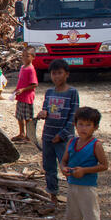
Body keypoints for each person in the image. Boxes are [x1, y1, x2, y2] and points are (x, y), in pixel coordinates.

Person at [60, 107, 110, 220]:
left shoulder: (96, 145)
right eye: (80, 124)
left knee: (92, 219)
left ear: (95, 127)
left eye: (88, 125)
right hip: (72, 186)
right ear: (75, 125)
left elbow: (104, 165)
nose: (83, 128)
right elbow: (64, 161)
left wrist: (85, 171)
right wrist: (63, 169)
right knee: (72, 218)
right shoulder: (72, 142)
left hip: (87, 188)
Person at [36, 59, 79, 204]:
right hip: (48, 135)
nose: (56, 77)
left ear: (66, 74)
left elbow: (73, 117)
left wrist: (61, 135)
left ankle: (75, 197)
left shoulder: (72, 93)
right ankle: (53, 196)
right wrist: (42, 113)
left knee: (67, 166)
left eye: (59, 73)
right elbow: (46, 110)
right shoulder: (49, 92)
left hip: (64, 138)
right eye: (54, 73)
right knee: (49, 167)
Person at [11, 46, 38, 142]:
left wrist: (23, 90)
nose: (25, 58)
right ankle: (21, 133)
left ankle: (29, 135)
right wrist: (16, 89)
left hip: (27, 97)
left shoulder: (31, 69)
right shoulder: (23, 67)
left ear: (33, 57)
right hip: (20, 96)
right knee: (19, 116)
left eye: (27, 56)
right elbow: (21, 81)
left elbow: (34, 84)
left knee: (27, 118)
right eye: (23, 56)